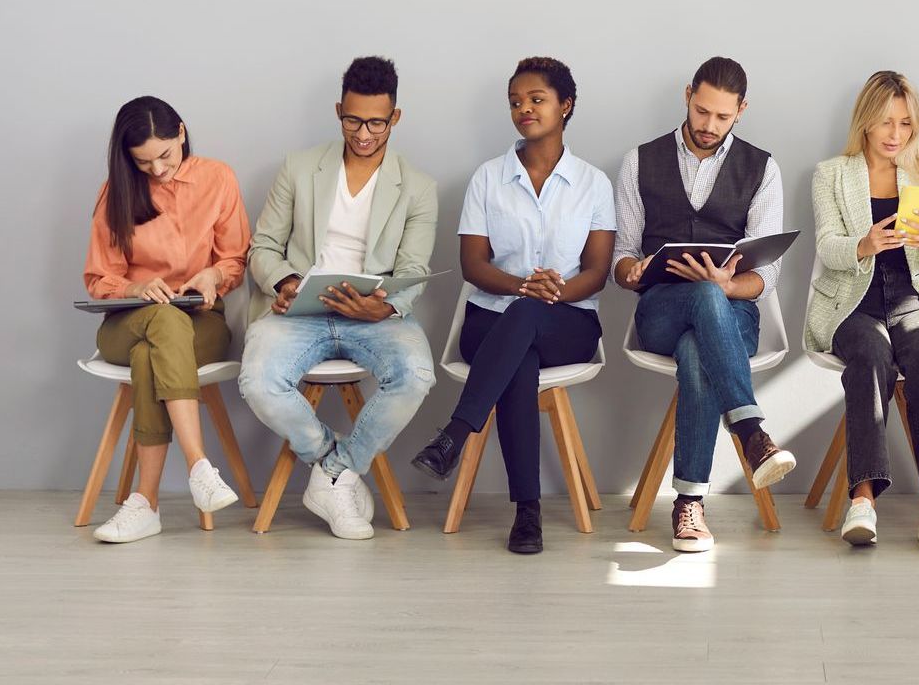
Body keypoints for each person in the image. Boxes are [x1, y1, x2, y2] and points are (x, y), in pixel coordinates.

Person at [409, 57, 614, 554]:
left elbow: (597, 272)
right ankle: (528, 513)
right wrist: (525, 286)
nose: (524, 109)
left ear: (565, 106)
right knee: (518, 349)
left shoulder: (593, 184)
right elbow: (473, 265)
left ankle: (456, 435)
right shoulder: (487, 179)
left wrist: (555, 292)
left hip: (570, 323)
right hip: (489, 320)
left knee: (524, 323)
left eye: (536, 99)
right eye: (515, 102)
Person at [238, 55, 438, 540]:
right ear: (338, 111)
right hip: (299, 311)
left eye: (376, 121)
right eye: (353, 119)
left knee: (416, 376)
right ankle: (332, 466)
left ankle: (334, 473)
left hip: (374, 316)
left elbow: (412, 272)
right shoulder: (300, 167)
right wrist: (286, 282)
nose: (363, 132)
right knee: (258, 382)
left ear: (395, 117)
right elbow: (262, 247)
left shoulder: (418, 188)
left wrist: (385, 306)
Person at [611, 56, 795, 553]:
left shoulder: (762, 168)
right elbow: (623, 255)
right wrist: (631, 271)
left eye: (722, 116)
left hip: (732, 314)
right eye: (701, 111)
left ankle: (688, 503)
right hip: (661, 313)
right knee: (695, 312)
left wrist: (726, 285)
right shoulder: (640, 161)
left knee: (698, 351)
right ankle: (752, 431)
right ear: (688, 95)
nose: (709, 125)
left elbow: (768, 271)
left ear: (741, 110)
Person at [806, 71, 919, 552]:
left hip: (915, 295)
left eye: (905, 123)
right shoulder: (832, 174)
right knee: (869, 356)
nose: (895, 134)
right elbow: (827, 247)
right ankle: (863, 499)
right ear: (865, 122)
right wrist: (865, 244)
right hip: (854, 301)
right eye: (886, 122)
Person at [82, 96, 249, 543]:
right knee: (160, 322)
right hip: (127, 322)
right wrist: (135, 288)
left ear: (181, 132)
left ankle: (145, 503)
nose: (156, 170)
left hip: (201, 321)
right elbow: (98, 278)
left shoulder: (218, 178)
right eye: (143, 163)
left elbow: (235, 258)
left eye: (165, 156)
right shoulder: (116, 192)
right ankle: (199, 465)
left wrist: (214, 274)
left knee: (152, 351)